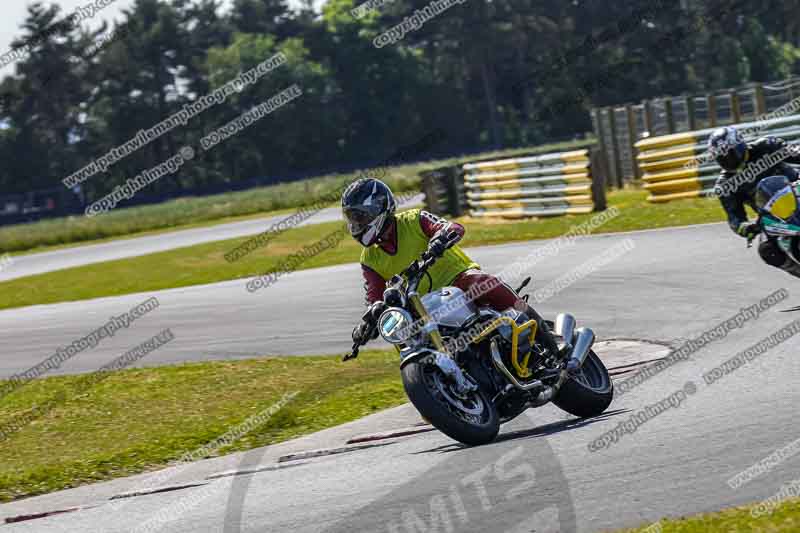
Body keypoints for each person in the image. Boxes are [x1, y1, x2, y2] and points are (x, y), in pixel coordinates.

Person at [341, 177, 559, 356]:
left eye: (360, 216)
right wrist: (368, 322)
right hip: (423, 307)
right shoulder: (369, 259)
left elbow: (451, 226)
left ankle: (547, 339)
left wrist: (440, 238)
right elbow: (375, 297)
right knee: (402, 332)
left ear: (379, 208)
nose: (355, 224)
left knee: (483, 283)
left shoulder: (414, 219)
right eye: (351, 218)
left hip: (458, 280)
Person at [709, 126, 800, 272]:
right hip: (773, 217)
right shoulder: (725, 185)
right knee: (767, 250)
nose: (727, 159)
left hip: (796, 190)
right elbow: (735, 218)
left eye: (730, 154)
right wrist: (747, 228)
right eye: (722, 157)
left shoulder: (766, 146)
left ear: (740, 146)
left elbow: (795, 153)